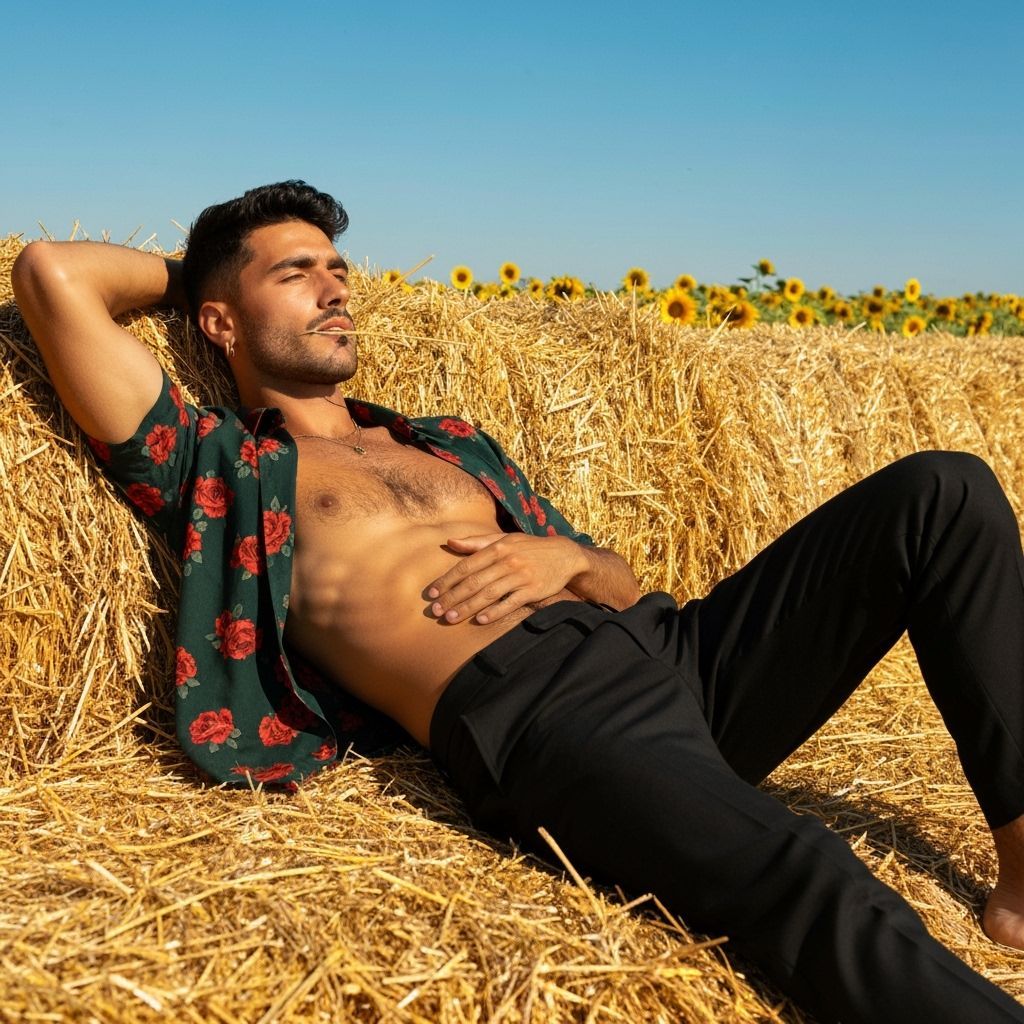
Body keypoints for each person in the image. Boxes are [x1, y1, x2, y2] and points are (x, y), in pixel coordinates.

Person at [11, 180, 1024, 1024]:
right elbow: (53, 277)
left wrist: (565, 562)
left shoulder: (446, 442)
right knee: (805, 871)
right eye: (295, 273)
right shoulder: (222, 465)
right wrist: (207, 270)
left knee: (944, 492)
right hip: (542, 711)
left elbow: (625, 583)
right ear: (220, 321)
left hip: (669, 651)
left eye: (338, 270)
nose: (334, 290)